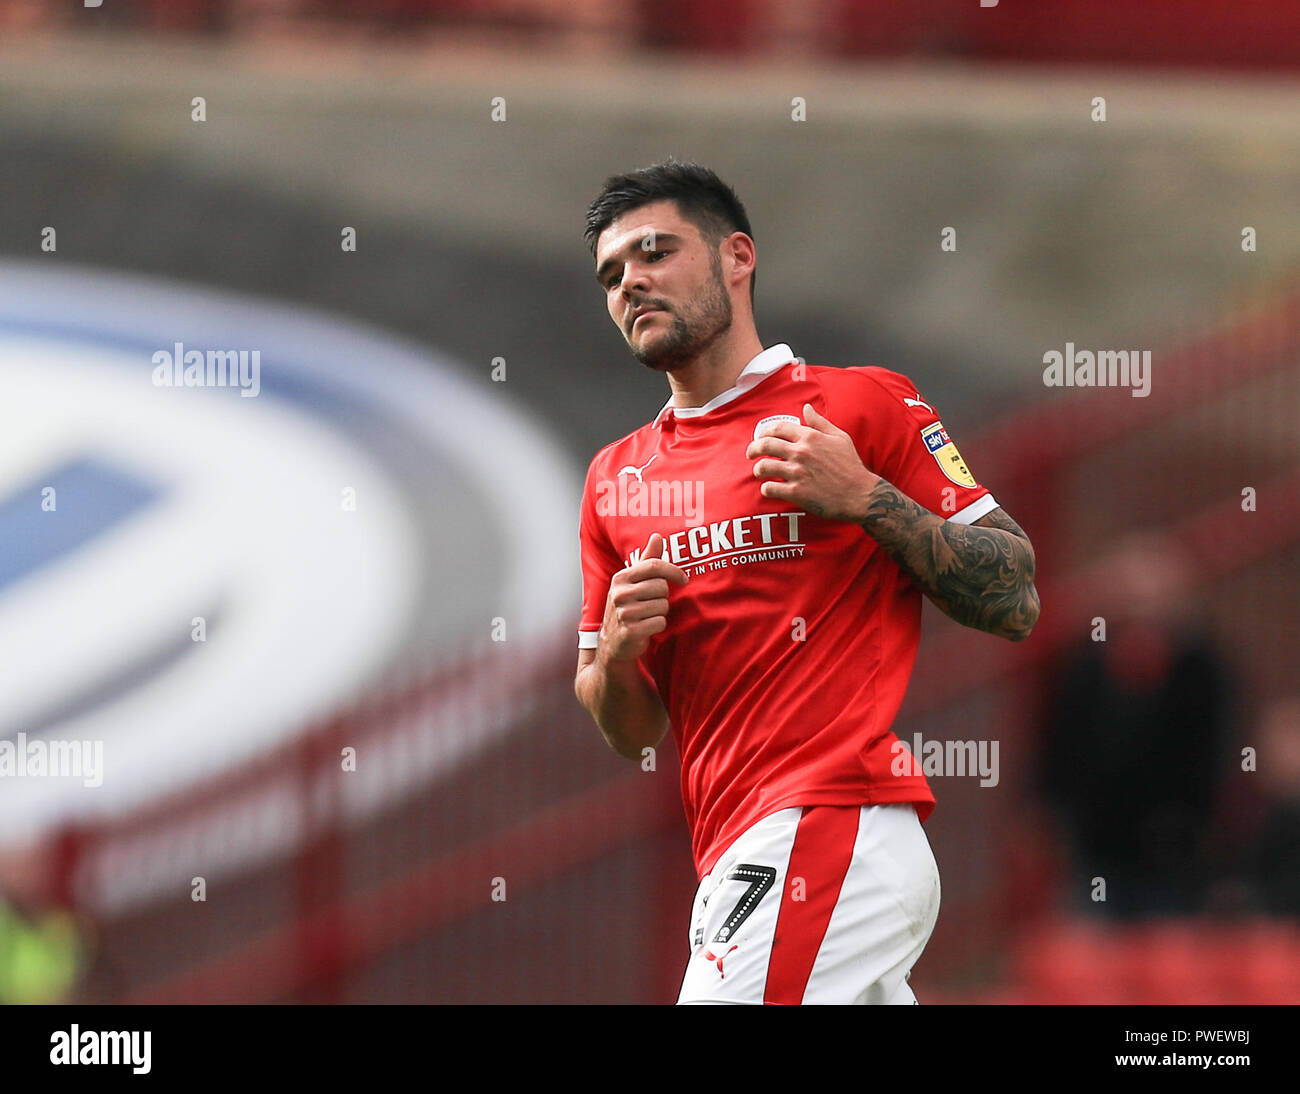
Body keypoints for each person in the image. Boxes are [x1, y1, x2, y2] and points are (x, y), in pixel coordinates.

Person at [573, 161, 1040, 1004]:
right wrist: (615, 651)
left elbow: (1016, 595)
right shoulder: (615, 481)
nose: (631, 282)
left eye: (653, 252)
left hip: (830, 826)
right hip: (731, 853)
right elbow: (629, 732)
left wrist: (865, 497)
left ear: (736, 257)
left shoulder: (861, 407)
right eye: (611, 275)